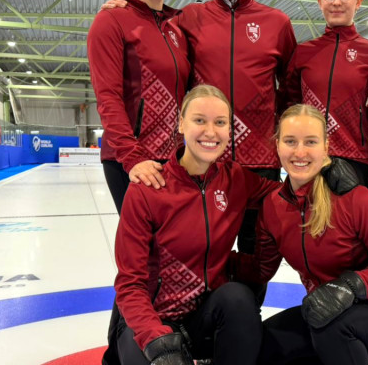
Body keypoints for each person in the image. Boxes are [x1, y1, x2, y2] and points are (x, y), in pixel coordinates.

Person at [103, 0, 297, 294]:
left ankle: (245, 324)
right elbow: (151, 21)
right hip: (204, 162)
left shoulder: (278, 24)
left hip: (260, 166)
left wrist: (284, 145)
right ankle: (201, 325)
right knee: (197, 256)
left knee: (256, 260)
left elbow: (291, 92)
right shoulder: (188, 18)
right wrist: (125, 7)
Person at [233, 104, 368, 365]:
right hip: (325, 308)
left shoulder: (356, 200)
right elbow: (261, 270)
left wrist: (351, 286)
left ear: (326, 146)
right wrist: (215, 262)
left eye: (310, 142)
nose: (300, 152)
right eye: (290, 141)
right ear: (277, 146)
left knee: (331, 325)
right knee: (263, 346)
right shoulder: (272, 207)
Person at [114, 85, 280, 365]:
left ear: (230, 130)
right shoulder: (148, 188)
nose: (210, 132)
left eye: (220, 122)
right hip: (150, 322)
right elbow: (130, 284)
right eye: (200, 120)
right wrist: (156, 339)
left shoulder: (235, 179)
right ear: (181, 123)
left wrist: (321, 173)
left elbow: (286, 195)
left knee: (238, 298)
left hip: (202, 319)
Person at [87, 0, 191, 365]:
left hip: (172, 162)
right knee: (141, 259)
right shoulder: (112, 21)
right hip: (130, 161)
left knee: (160, 257)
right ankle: (118, 355)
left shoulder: (179, 26)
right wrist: (133, 158)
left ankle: (150, 341)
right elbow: (108, 96)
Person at [282, 0, 368, 190]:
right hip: (308, 155)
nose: (337, 2)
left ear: (358, 1)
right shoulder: (303, 53)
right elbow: (290, 105)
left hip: (355, 157)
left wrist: (354, 118)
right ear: (320, 2)